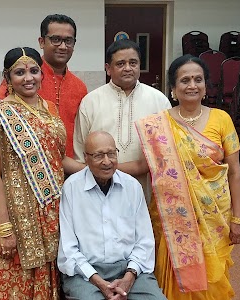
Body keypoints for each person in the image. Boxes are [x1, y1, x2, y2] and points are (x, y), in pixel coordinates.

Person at [0, 47, 84, 299]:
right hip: (14, 211)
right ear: (7, 78)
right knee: (15, 275)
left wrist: (93, 169)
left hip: (51, 208)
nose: (28, 77)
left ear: (42, 74)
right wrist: (4, 228)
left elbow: (59, 159)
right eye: (19, 72)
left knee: (50, 271)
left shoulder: (48, 110)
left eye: (34, 71)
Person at [134, 54, 240, 299]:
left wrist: (239, 219)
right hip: (174, 218)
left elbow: (235, 172)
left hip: (215, 215)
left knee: (212, 279)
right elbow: (144, 165)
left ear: (206, 86)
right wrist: (102, 165)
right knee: (174, 276)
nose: (192, 85)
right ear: (173, 88)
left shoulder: (221, 119)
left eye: (198, 79)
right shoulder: (159, 125)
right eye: (185, 80)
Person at [57, 131, 167, 300]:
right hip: (85, 273)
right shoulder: (71, 188)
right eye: (98, 156)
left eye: (111, 154)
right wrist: (99, 282)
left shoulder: (132, 187)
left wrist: (128, 278)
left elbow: (145, 242)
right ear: (86, 158)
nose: (107, 161)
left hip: (129, 270)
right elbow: (68, 249)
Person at [0, 14, 87, 158]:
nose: (63, 46)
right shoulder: (26, 79)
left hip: (67, 164)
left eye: (68, 41)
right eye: (56, 39)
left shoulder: (79, 87)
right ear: (41, 42)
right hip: (27, 165)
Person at [73, 39, 171, 199]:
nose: (128, 68)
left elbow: (164, 155)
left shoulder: (159, 101)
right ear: (108, 69)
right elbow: (80, 150)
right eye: (120, 64)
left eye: (133, 63)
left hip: (145, 190)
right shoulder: (91, 102)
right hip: (99, 190)